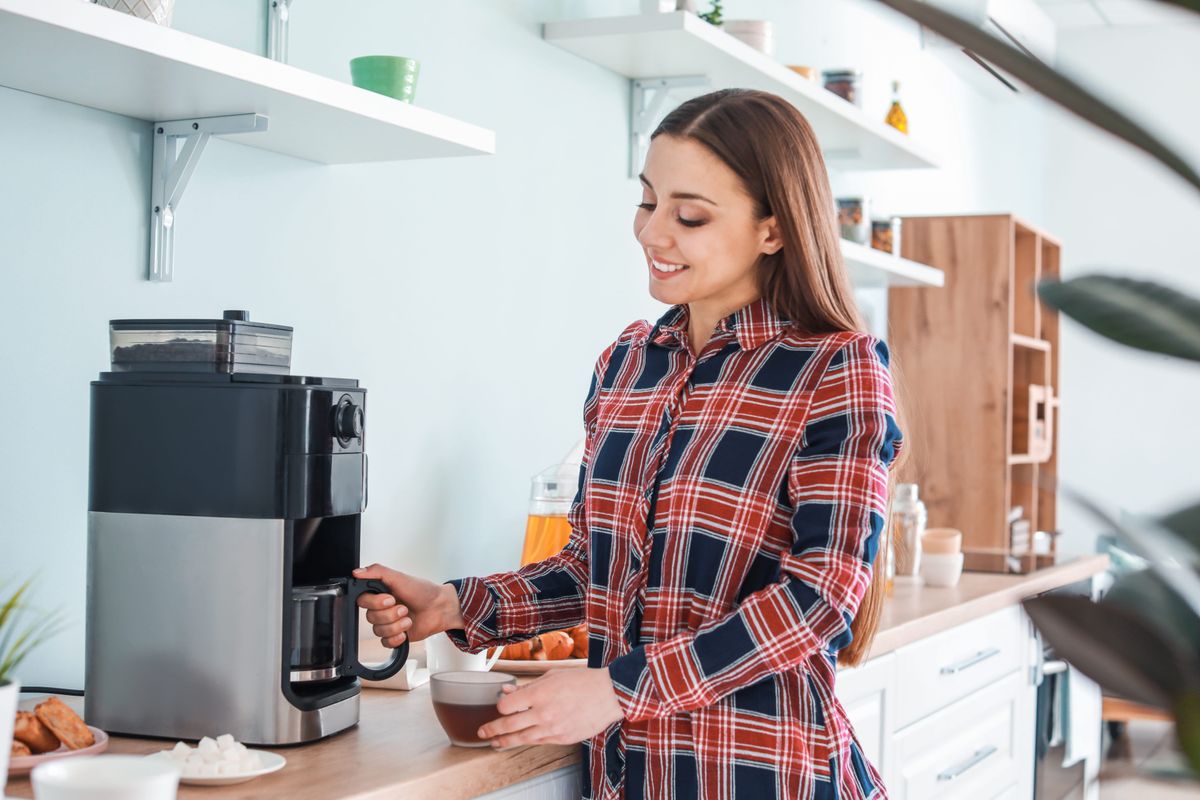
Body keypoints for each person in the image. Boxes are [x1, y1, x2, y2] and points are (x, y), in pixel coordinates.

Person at [355, 88, 905, 800]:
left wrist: (619, 689)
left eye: (690, 215)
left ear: (773, 229)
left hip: (765, 777)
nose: (652, 233)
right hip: (627, 779)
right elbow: (598, 571)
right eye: (648, 202)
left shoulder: (836, 368)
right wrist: (456, 604)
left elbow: (819, 597)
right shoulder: (627, 365)